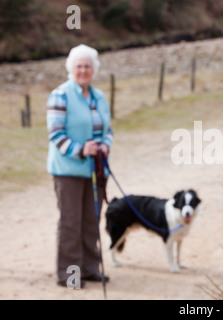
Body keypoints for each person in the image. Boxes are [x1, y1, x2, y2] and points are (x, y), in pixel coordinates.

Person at [46, 44, 113, 288]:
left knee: (91, 220)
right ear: (71, 69)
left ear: (93, 69)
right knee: (71, 222)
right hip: (68, 170)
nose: (83, 70)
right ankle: (69, 274)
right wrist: (81, 149)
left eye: (87, 66)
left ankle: (90, 268)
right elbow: (55, 134)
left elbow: (108, 130)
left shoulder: (99, 96)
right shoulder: (60, 95)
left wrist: (105, 145)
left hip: (95, 170)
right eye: (79, 66)